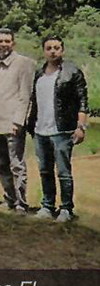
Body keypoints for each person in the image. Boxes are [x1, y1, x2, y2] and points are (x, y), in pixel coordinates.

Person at [27, 36, 89, 222]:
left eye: (56, 47)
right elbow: (35, 102)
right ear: (44, 51)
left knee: (63, 171)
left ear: (62, 50)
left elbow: (83, 101)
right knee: (45, 170)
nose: (53, 51)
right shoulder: (39, 73)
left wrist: (81, 126)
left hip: (62, 130)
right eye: (49, 48)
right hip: (40, 130)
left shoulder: (72, 72)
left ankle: (66, 209)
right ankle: (47, 206)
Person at [0, 28, 36, 213]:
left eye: (7, 41)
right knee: (1, 164)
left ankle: (21, 203)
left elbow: (25, 96)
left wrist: (18, 122)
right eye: (0, 41)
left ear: (13, 43)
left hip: (13, 124)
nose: (3, 44)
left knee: (17, 165)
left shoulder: (24, 63)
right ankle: (9, 200)